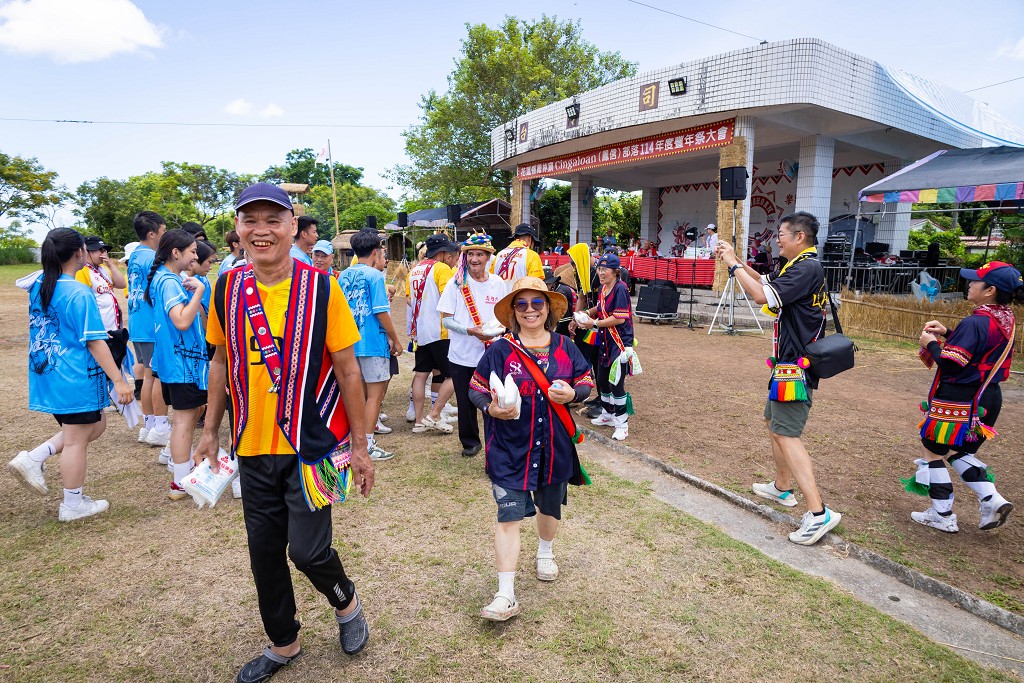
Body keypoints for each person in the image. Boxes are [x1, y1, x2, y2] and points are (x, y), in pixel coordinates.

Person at [194, 182, 374, 682]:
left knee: (308, 551)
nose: (262, 230)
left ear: (292, 226)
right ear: (238, 229)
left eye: (273, 220)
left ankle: (347, 603)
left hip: (311, 445)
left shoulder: (322, 287)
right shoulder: (226, 288)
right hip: (252, 445)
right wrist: (209, 431)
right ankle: (283, 642)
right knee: (264, 553)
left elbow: (349, 370)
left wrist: (360, 447)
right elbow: (221, 360)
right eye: (250, 220)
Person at [469, 276, 594, 621]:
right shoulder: (499, 351)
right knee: (508, 515)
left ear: (547, 308)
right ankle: (505, 595)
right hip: (509, 449)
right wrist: (491, 408)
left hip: (554, 447)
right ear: (513, 311)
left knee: (549, 508)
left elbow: (586, 381)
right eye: (521, 304)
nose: (529, 310)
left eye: (536, 303)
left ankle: (545, 550)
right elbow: (476, 388)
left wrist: (573, 394)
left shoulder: (566, 347)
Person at [716, 211, 842, 546]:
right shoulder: (797, 266)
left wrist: (732, 265)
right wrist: (737, 261)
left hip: (797, 366)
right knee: (774, 424)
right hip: (788, 363)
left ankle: (818, 513)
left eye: (782, 234)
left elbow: (762, 296)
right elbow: (765, 283)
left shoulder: (806, 267)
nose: (777, 239)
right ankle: (782, 487)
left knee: (787, 435)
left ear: (799, 237)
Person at [8, 228, 134, 521]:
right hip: (74, 375)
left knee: (96, 425)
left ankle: (36, 457)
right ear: (79, 252)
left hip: (49, 372)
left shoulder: (40, 283)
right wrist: (119, 379)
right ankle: (72, 504)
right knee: (77, 438)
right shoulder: (77, 291)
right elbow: (94, 340)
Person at [908, 261, 1023, 533]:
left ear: (990, 290)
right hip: (988, 397)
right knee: (957, 452)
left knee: (933, 451)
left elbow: (951, 364)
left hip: (958, 399)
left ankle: (944, 513)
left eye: (975, 281)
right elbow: (981, 350)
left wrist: (931, 344)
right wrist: (949, 333)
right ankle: (990, 499)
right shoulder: (1004, 319)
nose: (969, 284)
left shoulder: (976, 321)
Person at [145, 229, 207, 499]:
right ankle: (181, 481)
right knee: (184, 420)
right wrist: (200, 291)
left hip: (173, 360)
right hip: (183, 362)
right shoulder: (169, 281)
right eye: (192, 251)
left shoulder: (163, 278)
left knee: (187, 417)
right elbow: (181, 321)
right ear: (175, 253)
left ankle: (181, 467)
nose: (196, 255)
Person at [438, 233, 506, 457]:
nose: (475, 259)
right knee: (465, 400)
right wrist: (470, 330)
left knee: (492, 398)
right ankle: (470, 442)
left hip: (491, 353)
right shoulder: (456, 283)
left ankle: (494, 442)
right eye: (470, 255)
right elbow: (446, 320)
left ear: (488, 257)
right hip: (461, 354)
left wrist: (498, 331)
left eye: (480, 254)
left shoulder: (498, 283)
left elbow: (505, 316)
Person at [338, 229, 403, 461]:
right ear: (375, 252)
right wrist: (395, 338)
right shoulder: (375, 276)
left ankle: (354, 441)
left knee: (357, 396)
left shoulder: (343, 275)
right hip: (373, 342)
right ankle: (367, 444)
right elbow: (380, 310)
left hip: (348, 343)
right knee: (375, 396)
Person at [574, 253, 634, 441]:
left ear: (615, 272)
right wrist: (584, 313)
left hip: (619, 343)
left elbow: (619, 318)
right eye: (599, 269)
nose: (600, 273)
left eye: (604, 270)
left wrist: (593, 323)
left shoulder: (621, 289)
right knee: (602, 379)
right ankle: (608, 414)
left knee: (616, 384)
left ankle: (622, 424)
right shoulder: (603, 288)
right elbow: (599, 309)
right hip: (605, 342)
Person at [407, 233, 459, 435]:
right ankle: (434, 414)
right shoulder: (442, 269)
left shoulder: (415, 269)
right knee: (453, 374)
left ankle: (419, 420)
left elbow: (410, 299)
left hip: (421, 331)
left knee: (421, 375)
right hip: (440, 331)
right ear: (444, 253)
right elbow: (449, 298)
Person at [126, 210, 171, 447]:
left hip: (137, 323)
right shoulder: (150, 258)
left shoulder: (135, 255)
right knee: (157, 375)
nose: (164, 236)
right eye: (163, 232)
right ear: (152, 233)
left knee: (147, 374)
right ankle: (161, 426)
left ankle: (150, 425)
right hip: (152, 324)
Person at [75, 235, 129, 370]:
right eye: (99, 250)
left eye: (104, 250)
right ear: (87, 252)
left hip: (112, 327)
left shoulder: (103, 269)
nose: (103, 253)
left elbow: (122, 284)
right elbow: (84, 303)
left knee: (115, 365)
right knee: (102, 368)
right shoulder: (83, 271)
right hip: (100, 329)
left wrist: (110, 265)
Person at [491, 222, 544, 290]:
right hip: (519, 299)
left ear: (515, 237)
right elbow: (536, 285)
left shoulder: (499, 255)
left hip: (499, 299)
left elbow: (490, 279)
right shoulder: (532, 255)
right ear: (530, 239)